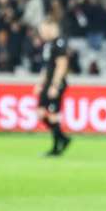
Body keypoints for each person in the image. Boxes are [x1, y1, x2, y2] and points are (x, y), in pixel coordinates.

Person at [34, 19, 71, 156]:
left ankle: (56, 148)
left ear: (51, 27)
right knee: (40, 113)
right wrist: (40, 83)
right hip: (47, 83)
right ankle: (63, 138)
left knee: (53, 115)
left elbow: (61, 65)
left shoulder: (59, 43)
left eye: (43, 29)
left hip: (56, 84)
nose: (41, 32)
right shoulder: (47, 45)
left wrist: (55, 85)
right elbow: (46, 67)